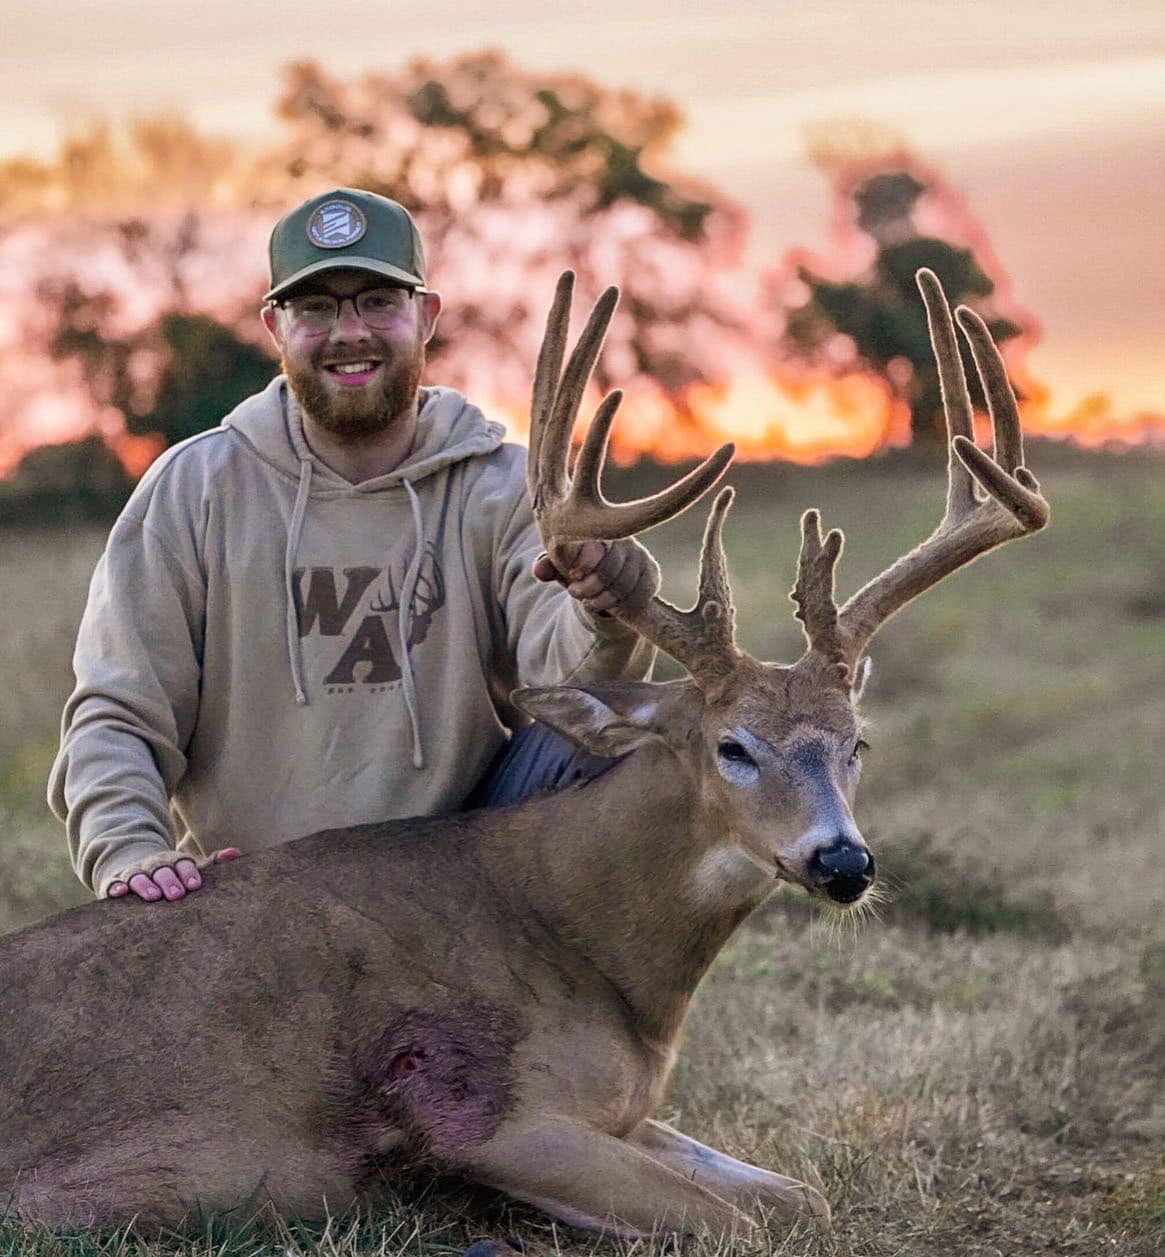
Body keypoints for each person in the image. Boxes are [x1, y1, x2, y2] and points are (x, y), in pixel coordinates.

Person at [49, 187, 660, 906]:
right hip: (255, 891)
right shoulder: (194, 490)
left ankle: (571, 967)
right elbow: (119, 711)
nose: (349, 332)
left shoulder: (504, 487)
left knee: (665, 741)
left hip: (463, 884)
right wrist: (128, 849)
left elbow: (570, 697)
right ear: (275, 327)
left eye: (377, 301)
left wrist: (604, 611)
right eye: (315, 307)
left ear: (425, 316)